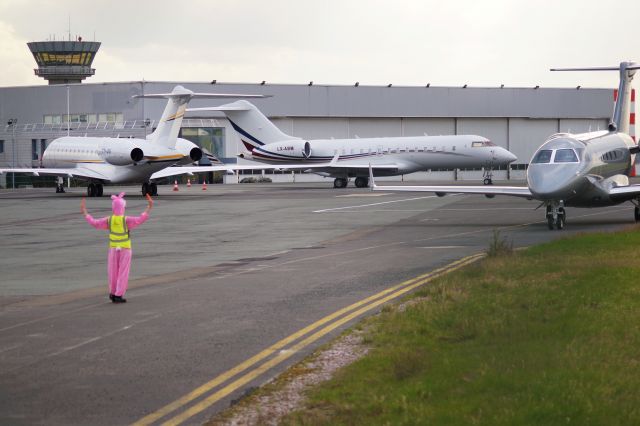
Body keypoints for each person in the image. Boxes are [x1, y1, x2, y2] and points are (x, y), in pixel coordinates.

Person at [81, 192, 153, 303]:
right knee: (123, 272)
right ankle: (119, 295)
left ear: (113, 207)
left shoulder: (109, 220)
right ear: (123, 207)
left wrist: (85, 213)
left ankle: (112, 293)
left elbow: (95, 223)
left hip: (113, 249)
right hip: (125, 248)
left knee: (112, 272)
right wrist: (149, 207)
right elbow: (140, 219)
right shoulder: (126, 220)